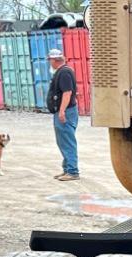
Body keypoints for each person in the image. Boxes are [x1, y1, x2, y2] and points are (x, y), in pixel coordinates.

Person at [47, 48, 79, 181]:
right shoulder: (63, 72)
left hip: (65, 112)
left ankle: (72, 171)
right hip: (65, 111)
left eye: (50, 60)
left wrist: (61, 111)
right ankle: (67, 169)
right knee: (63, 141)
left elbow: (67, 93)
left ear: (55, 60)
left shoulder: (64, 73)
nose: (50, 63)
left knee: (67, 141)